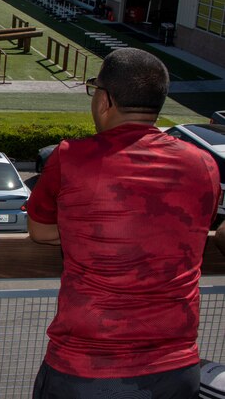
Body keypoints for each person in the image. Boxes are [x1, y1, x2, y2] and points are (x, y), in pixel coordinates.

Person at [27, 47, 221, 399]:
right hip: (175, 371)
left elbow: (39, 230)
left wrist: (86, 228)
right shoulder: (203, 164)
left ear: (105, 100)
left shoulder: (71, 157)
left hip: (86, 369)